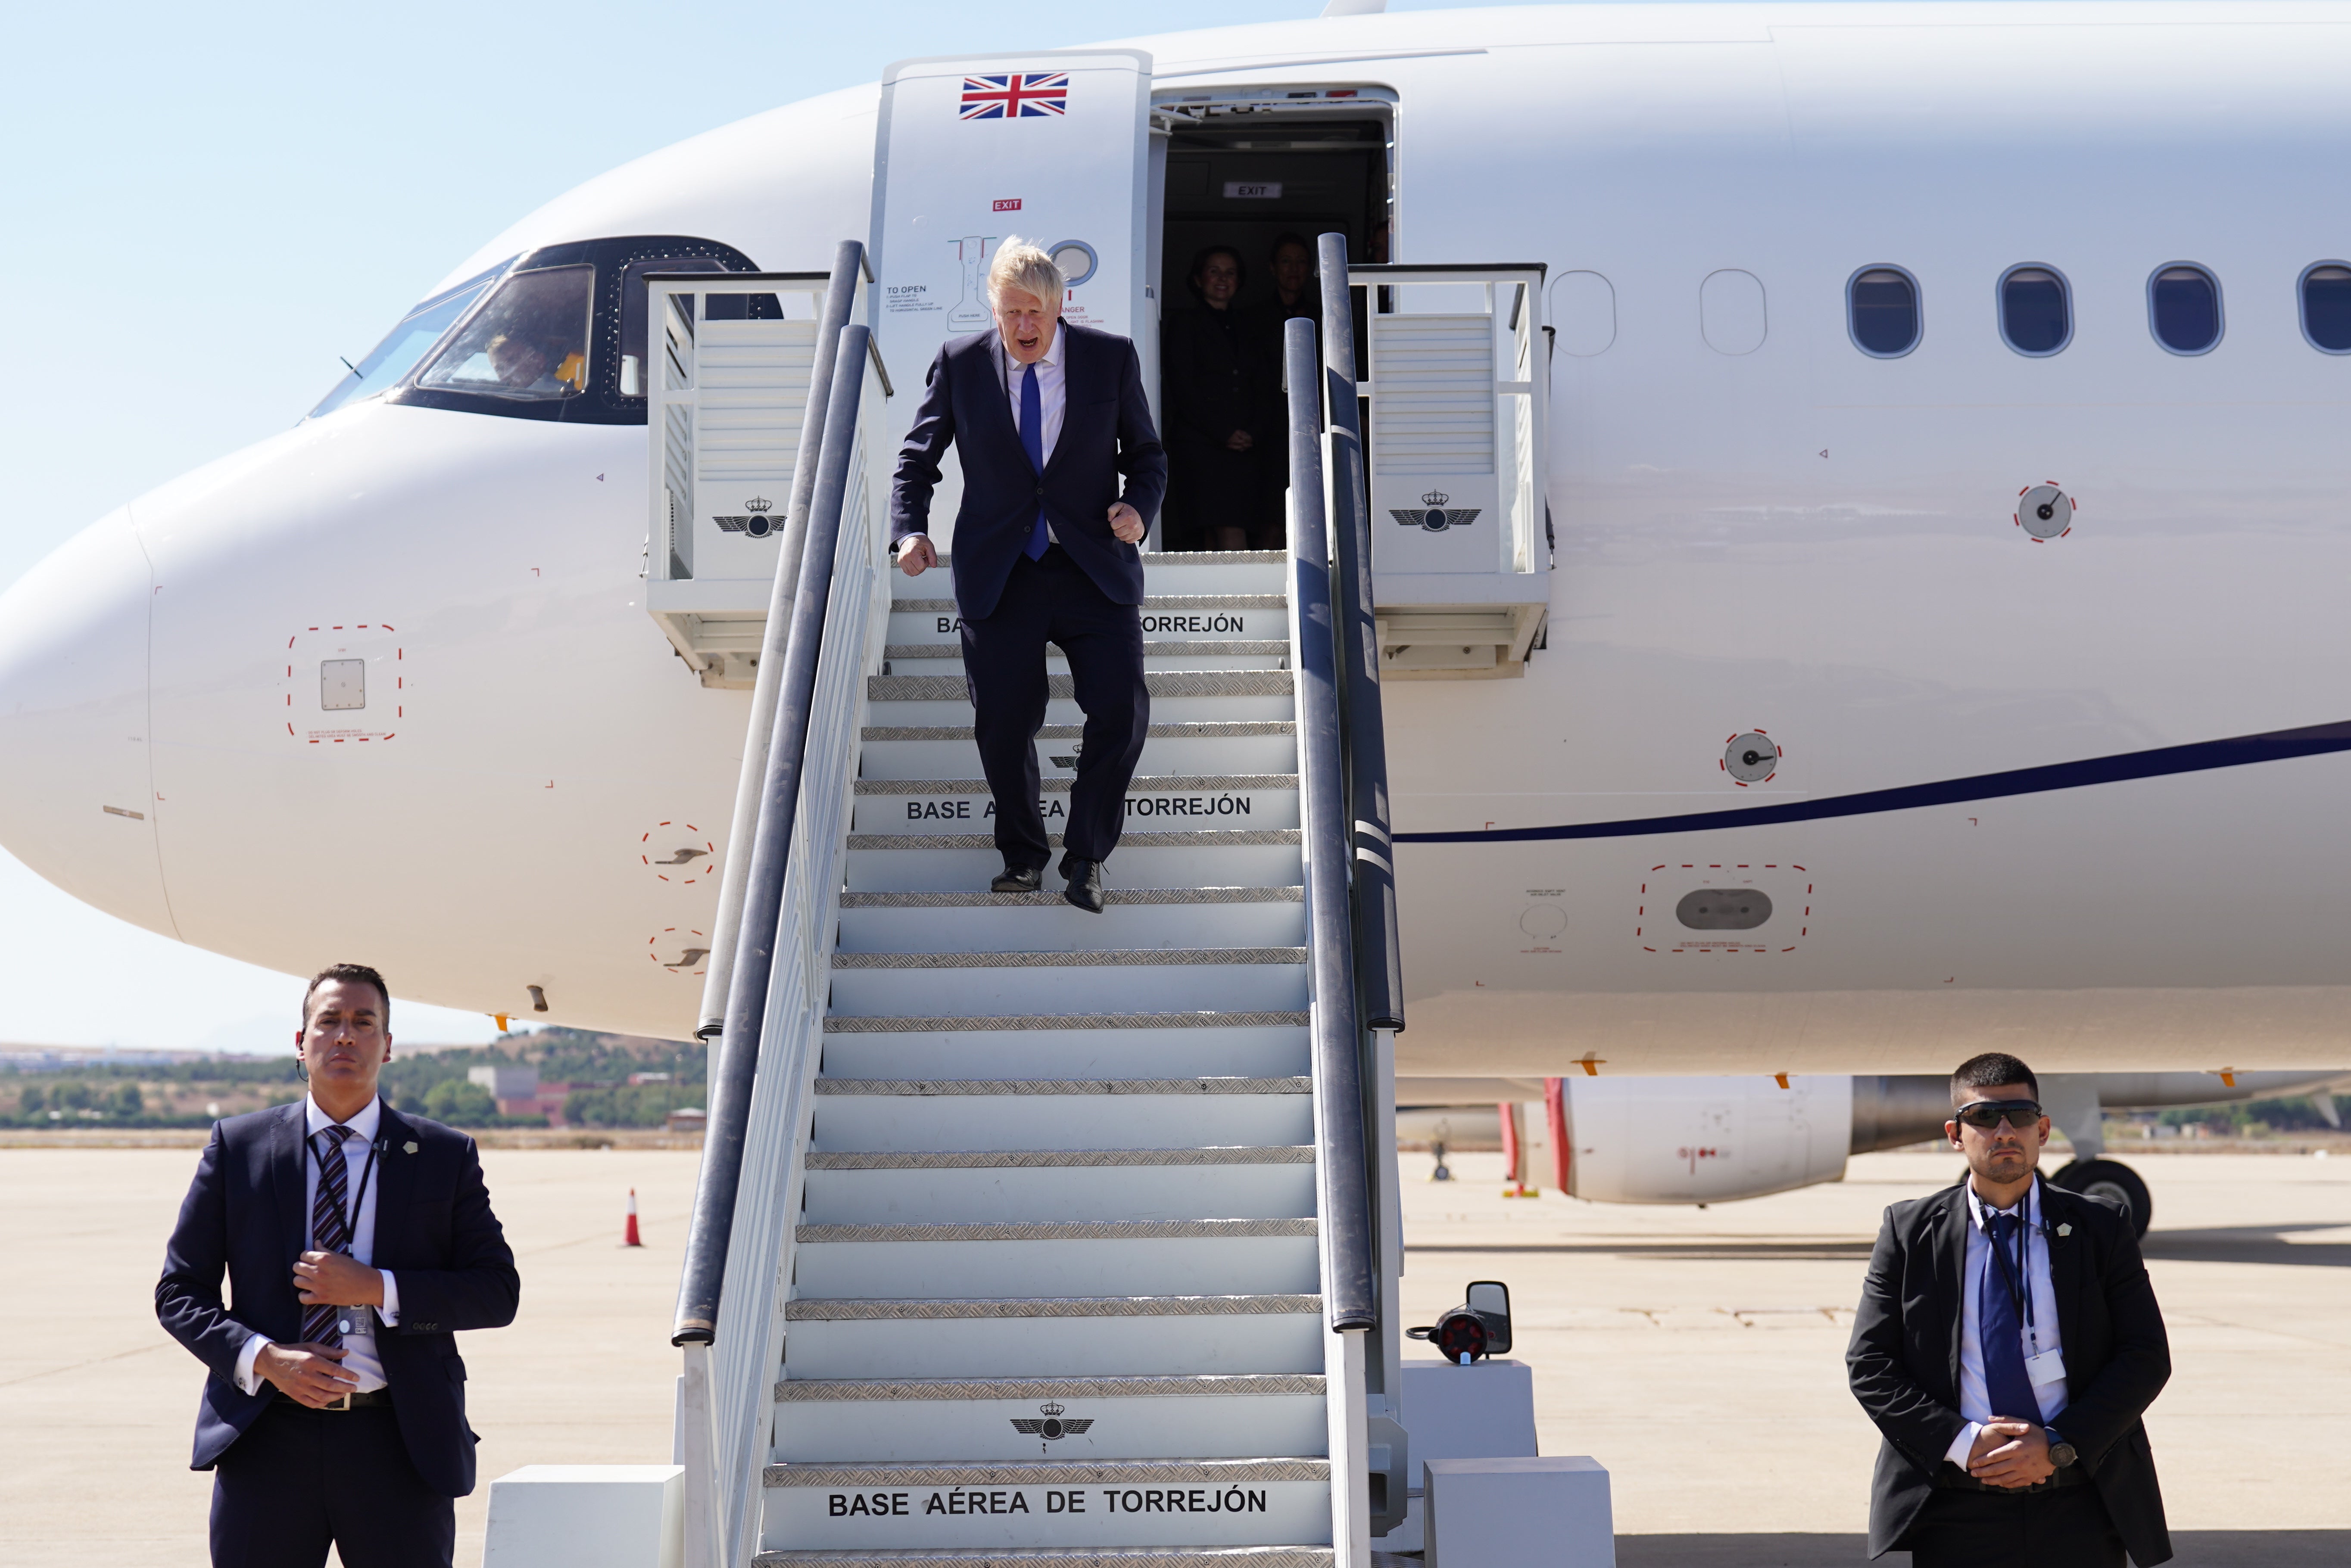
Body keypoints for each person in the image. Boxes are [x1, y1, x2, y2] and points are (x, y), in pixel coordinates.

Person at [156, 964, 521, 1568]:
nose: (345, 1036)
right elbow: (179, 1293)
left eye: (363, 1023)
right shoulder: (238, 1148)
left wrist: (378, 1287)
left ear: (387, 1045)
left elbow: (496, 1292)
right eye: (328, 1022)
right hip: (267, 1440)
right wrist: (265, 1358)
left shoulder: (442, 1155)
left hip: (399, 1447)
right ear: (301, 1044)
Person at [890, 237, 1167, 914]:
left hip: (1091, 567)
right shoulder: (960, 366)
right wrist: (910, 530)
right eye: (1010, 313)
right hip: (1001, 571)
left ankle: (1087, 856)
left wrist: (1139, 508)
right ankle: (1023, 856)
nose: (1023, 328)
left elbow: (1149, 456)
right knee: (1004, 724)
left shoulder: (1109, 358)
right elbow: (916, 461)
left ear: (1060, 304)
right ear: (994, 309)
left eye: (1035, 313)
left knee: (1122, 711)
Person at [1847, 1052, 2172, 1567]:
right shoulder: (1909, 1232)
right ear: (1955, 1133)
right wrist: (1963, 1442)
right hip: (1954, 1506)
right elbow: (1870, 1366)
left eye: (2019, 1116)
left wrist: (2059, 1444)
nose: (2004, 1131)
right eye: (1982, 1117)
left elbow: (2145, 1355)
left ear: (2041, 1129)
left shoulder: (2101, 1227)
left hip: (2079, 1501)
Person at [1162, 244, 1275, 551]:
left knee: (1234, 527)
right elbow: (1182, 388)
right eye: (1214, 271)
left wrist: (1254, 431)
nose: (1222, 279)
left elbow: (1266, 386)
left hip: (1247, 447)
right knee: (1210, 531)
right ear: (1198, 279)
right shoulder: (1184, 324)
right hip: (1202, 446)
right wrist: (1223, 432)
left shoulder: (1251, 326)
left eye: (1231, 273)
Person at [1243, 233, 1322, 542]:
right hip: (1264, 431)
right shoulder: (1251, 318)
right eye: (1287, 261)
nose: (1294, 269)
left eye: (1302, 262)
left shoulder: (1324, 316)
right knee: (1268, 514)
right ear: (1273, 268)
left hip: (1313, 427)